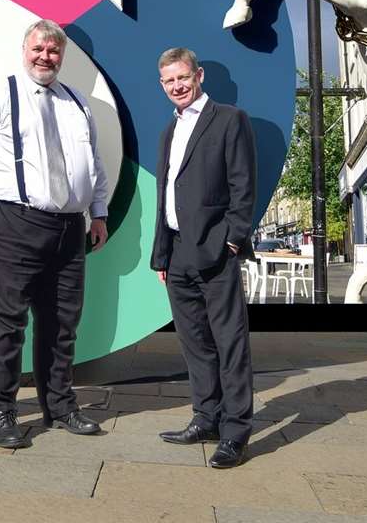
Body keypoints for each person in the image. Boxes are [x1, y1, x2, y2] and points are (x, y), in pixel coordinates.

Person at [0, 18, 110, 449]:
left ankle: (59, 405)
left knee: (62, 324)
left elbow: (93, 164)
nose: (45, 57)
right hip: (10, 223)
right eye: (38, 49)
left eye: (53, 51)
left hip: (68, 229)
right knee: (5, 324)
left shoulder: (77, 102)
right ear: (24, 50)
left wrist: (98, 213)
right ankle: (1, 410)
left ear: (62, 56)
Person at [150, 46, 256, 469]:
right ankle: (205, 417)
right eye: (169, 81)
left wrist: (232, 241)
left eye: (182, 77)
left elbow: (243, 185)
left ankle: (234, 431)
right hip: (176, 253)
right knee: (195, 344)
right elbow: (165, 197)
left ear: (199, 75)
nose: (177, 86)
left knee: (229, 343)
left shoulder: (230, 119)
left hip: (215, 251)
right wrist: (161, 256)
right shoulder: (168, 131)